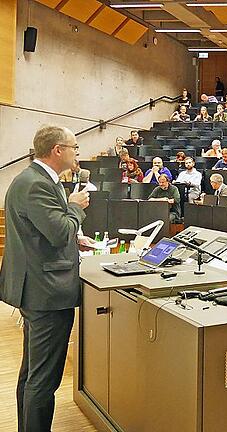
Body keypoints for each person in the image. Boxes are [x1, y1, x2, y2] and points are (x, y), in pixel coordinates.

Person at [0, 125, 92, 432]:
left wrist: (73, 239)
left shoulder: (33, 180)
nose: (76, 153)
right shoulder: (36, 184)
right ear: (58, 150)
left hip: (38, 288)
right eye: (74, 148)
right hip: (47, 293)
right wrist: (75, 208)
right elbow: (58, 231)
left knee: (32, 374)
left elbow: (39, 233)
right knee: (43, 380)